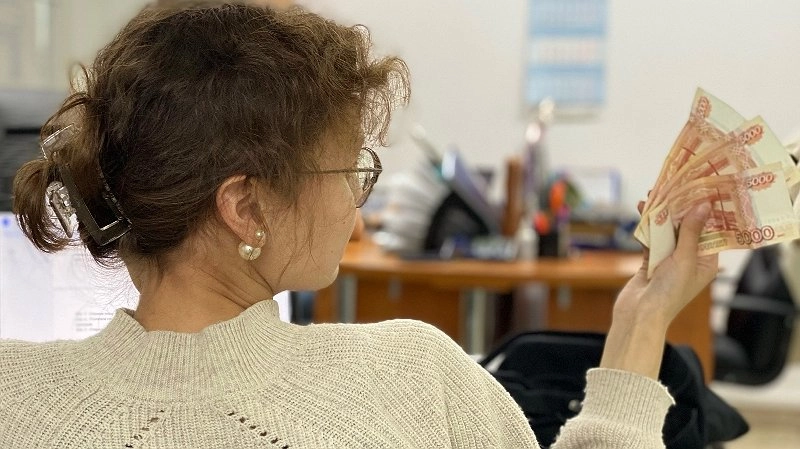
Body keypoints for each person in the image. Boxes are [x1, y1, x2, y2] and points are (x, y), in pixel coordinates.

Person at [0, 2, 718, 448]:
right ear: (245, 207)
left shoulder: (16, 396)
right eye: (348, 168)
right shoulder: (410, 378)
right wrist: (647, 320)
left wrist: (641, 313)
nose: (357, 202)